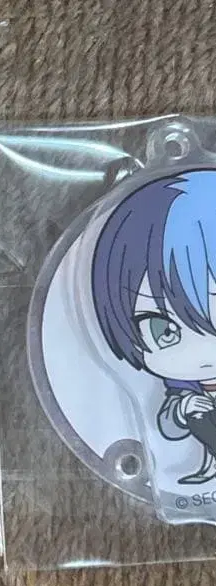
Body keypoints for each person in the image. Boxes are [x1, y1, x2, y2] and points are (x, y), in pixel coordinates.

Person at [93, 169, 216, 485]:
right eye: (165, 331)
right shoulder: (181, 387)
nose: (202, 348)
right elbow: (169, 426)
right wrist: (183, 409)